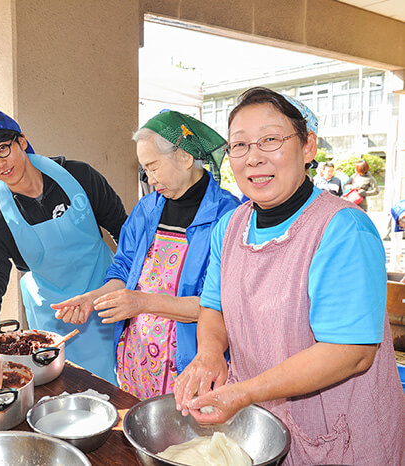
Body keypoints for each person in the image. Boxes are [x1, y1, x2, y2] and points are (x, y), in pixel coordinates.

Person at [173, 88, 404, 465]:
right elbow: (213, 305)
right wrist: (210, 353)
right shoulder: (230, 227)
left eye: (270, 140)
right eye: (240, 145)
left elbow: (351, 353)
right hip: (265, 428)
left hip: (341, 436)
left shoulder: (343, 230)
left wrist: (244, 392)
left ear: (308, 146)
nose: (254, 158)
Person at [52, 110, 240, 400]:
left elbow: (219, 306)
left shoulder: (228, 216)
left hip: (190, 363)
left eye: (153, 167)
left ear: (185, 158)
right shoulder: (147, 209)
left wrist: (141, 302)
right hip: (137, 357)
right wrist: (92, 299)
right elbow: (124, 268)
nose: (150, 180)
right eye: (145, 170)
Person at [0, 110, 127, 393]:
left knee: (123, 389)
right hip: (54, 320)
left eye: (3, 149)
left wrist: (131, 287)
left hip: (106, 302)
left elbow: (124, 234)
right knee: (69, 394)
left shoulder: (80, 177)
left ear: (22, 141)